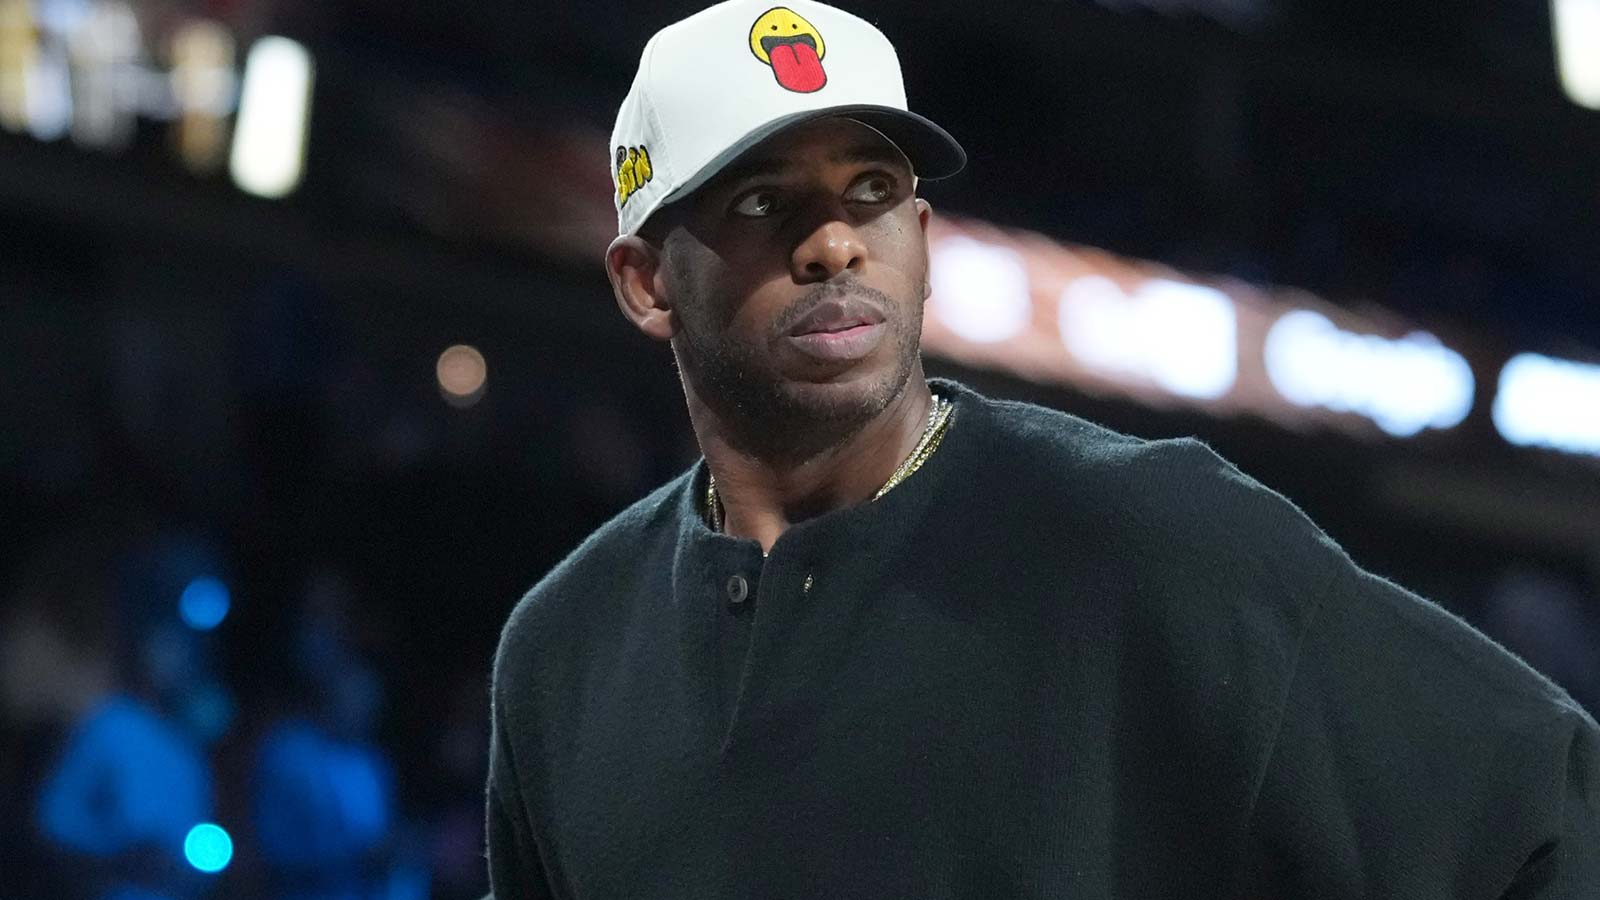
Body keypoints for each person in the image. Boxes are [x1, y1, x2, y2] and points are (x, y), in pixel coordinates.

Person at [483, 1, 1600, 897]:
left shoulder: (1151, 537)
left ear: (920, 242)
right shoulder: (562, 650)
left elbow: (1546, 817)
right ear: (642, 283)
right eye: (764, 200)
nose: (832, 243)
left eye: (871, 193)